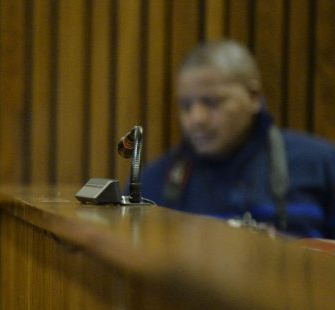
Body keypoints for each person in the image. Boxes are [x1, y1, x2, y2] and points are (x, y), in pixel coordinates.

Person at [140, 39, 335, 238]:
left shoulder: (321, 165)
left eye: (212, 102)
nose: (196, 118)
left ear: (253, 96)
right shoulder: (150, 184)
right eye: (186, 106)